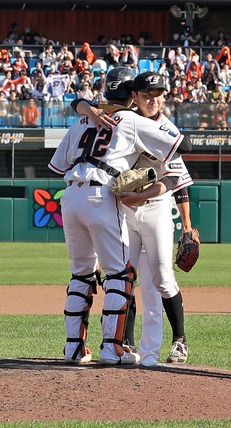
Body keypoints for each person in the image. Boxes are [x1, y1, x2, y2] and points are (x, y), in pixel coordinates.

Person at [47, 67, 189, 366]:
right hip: (103, 196)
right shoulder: (132, 119)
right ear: (131, 94)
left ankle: (74, 348)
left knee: (81, 274)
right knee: (119, 274)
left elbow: (57, 166)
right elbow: (183, 145)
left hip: (70, 196)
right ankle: (112, 348)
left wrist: (86, 108)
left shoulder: (82, 120)